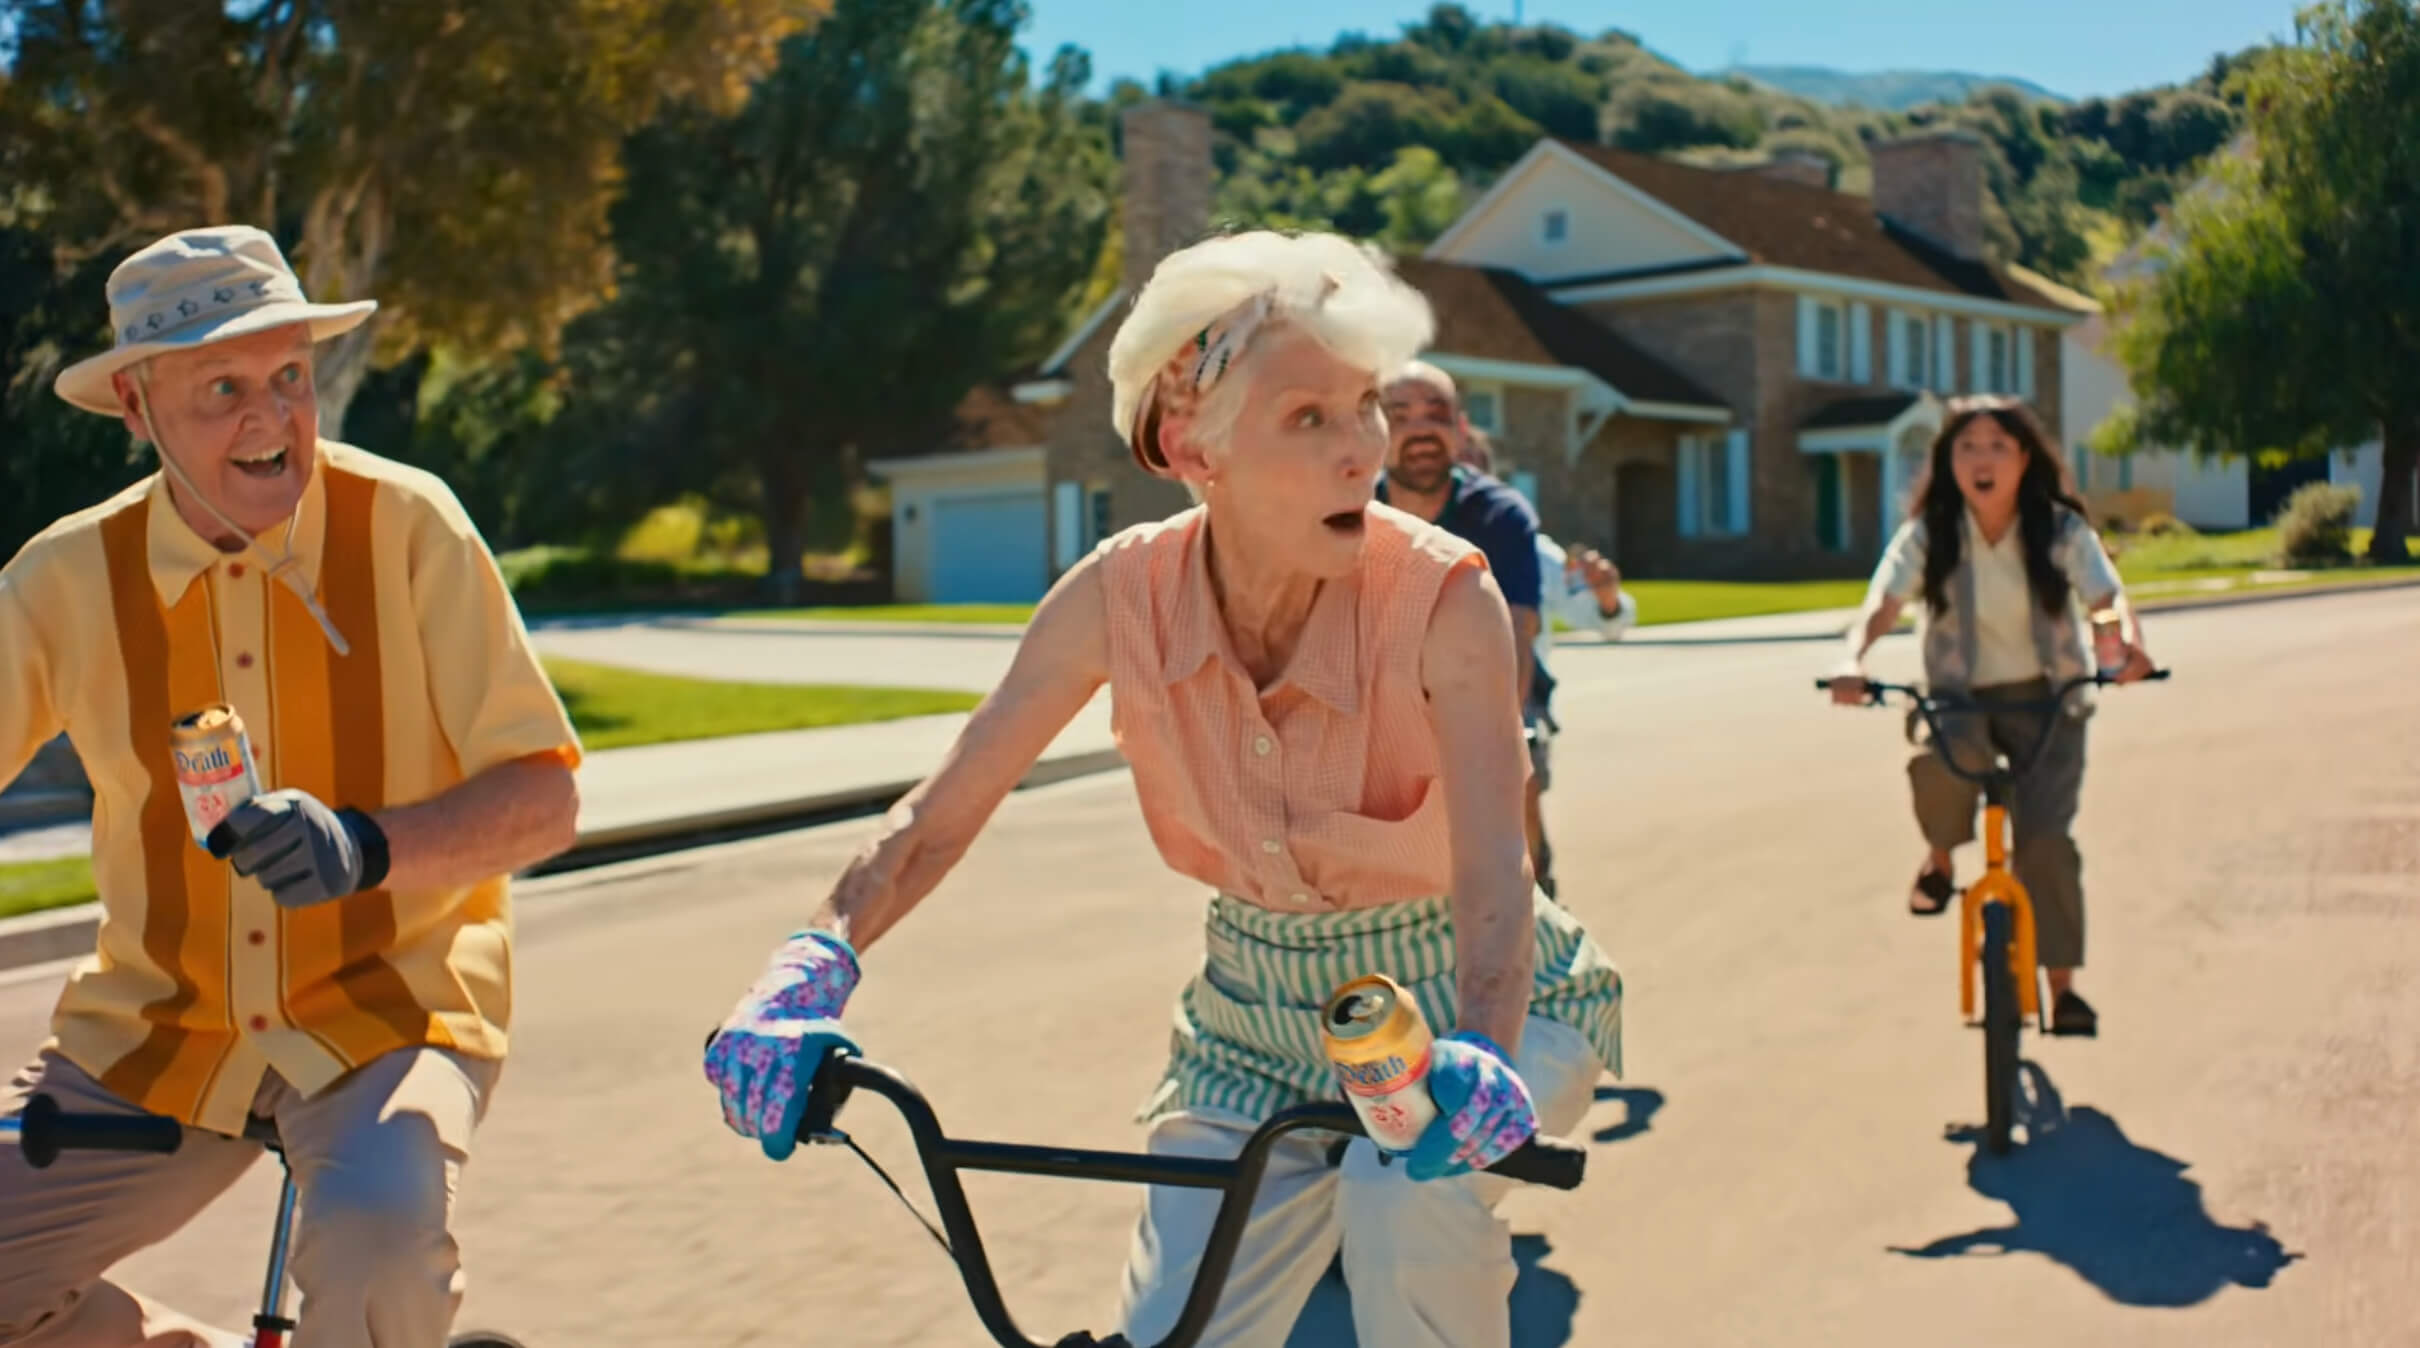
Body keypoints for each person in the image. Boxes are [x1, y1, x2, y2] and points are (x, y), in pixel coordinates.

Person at [701, 230, 1624, 1348]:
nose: (1360, 453)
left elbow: (1496, 868)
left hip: (1482, 1004)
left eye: (1365, 407)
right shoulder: (1116, 595)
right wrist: (809, 966)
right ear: (1192, 446)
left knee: (1405, 1201)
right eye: (1308, 418)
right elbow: (932, 823)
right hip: (1247, 1028)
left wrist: (1481, 1042)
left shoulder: (1443, 598)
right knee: (1172, 1332)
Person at [0, 226, 584, 1347]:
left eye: (289, 377)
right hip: (155, 1029)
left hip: (391, 1009)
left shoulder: (410, 525)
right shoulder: (62, 578)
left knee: (381, 1261)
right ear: (134, 404)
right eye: (223, 387)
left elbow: (546, 798)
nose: (271, 418)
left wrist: (365, 845)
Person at [1827, 395, 2153, 1037]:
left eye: (1998, 447)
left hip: (2049, 698)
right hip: (1959, 696)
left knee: (2046, 843)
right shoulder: (1931, 533)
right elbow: (1883, 603)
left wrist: (2130, 648)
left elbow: (2107, 597)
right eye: (1967, 447)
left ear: (2025, 459)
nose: (1983, 461)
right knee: (1942, 760)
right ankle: (1941, 857)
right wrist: (1851, 658)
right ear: (1948, 461)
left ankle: (2062, 989)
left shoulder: (2059, 529)